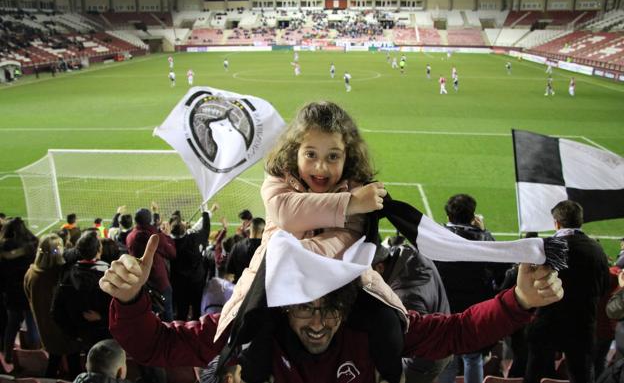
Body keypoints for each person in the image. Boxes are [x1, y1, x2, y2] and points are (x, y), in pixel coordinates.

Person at [99, 233, 564, 383]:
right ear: (283, 307)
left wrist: (519, 301)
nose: (319, 324)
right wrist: (130, 300)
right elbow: (155, 344)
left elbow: (458, 332)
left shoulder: (375, 324)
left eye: (330, 310)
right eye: (306, 310)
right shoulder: (251, 328)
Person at [214, 101, 407, 383]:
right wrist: (351, 203)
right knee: (254, 334)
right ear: (295, 152)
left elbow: (346, 240)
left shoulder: (357, 185)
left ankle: (390, 377)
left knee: (387, 324)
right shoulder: (278, 179)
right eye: (311, 154)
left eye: (333, 157)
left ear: (348, 157)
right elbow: (286, 212)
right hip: (276, 282)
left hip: (341, 284)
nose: (320, 167)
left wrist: (298, 256)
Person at [524, 200, 610, 383]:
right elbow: (603, 288)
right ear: (580, 221)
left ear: (556, 223)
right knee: (582, 376)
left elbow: (528, 288)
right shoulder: (597, 250)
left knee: (534, 372)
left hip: (547, 322)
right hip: (582, 324)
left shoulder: (545, 247)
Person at [436, 194, 509, 383]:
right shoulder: (483, 240)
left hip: (445, 309)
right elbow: (503, 267)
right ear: (472, 216)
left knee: (447, 358)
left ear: (448, 216)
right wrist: (485, 232)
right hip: (474, 311)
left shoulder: (437, 238)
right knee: (473, 358)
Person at [373, 238, 452, 383]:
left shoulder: (405, 297)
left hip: (425, 360)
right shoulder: (411, 254)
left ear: (379, 267)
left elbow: (407, 341)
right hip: (442, 344)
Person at [24, 234, 82, 378]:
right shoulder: (60, 275)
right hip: (65, 330)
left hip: (46, 329)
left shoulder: (31, 273)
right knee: (74, 364)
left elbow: (28, 297)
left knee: (54, 360)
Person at [51, 231, 112, 354]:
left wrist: (74, 334)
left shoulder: (67, 277)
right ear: (99, 250)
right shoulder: (109, 276)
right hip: (106, 334)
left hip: (83, 336)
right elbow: (122, 311)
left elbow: (56, 312)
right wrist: (103, 318)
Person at [0, 217, 40, 371]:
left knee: (12, 325)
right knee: (32, 324)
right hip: (28, 292)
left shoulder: (3, 248)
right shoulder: (32, 246)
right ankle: (35, 357)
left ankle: (9, 354)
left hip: (11, 294)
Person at [126, 208, 176, 321]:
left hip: (142, 282)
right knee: (167, 312)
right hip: (159, 282)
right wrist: (167, 236)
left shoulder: (130, 236)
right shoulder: (155, 237)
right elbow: (172, 253)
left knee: (148, 314)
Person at [169, 208, 211, 320]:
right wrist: (205, 213)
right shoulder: (194, 238)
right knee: (197, 310)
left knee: (182, 311)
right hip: (196, 281)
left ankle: (180, 332)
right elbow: (206, 230)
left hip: (179, 284)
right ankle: (195, 331)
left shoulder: (168, 242)